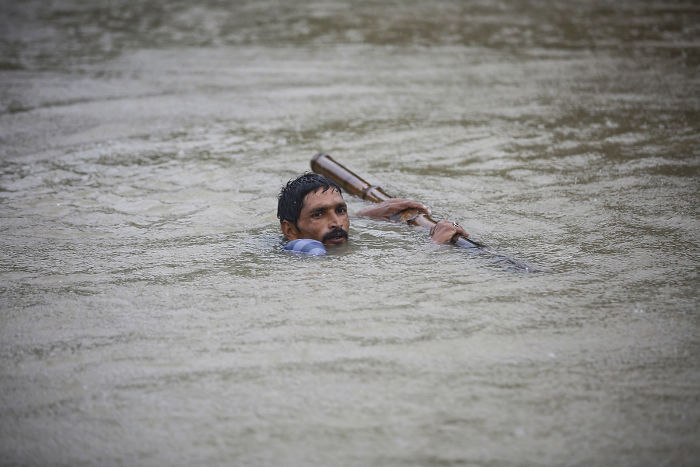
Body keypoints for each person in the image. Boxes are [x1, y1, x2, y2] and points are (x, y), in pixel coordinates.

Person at [277, 173, 469, 255]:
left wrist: (368, 214)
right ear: (290, 231)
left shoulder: (329, 237)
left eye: (341, 210)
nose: (337, 223)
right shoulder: (307, 257)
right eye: (318, 214)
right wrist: (434, 245)